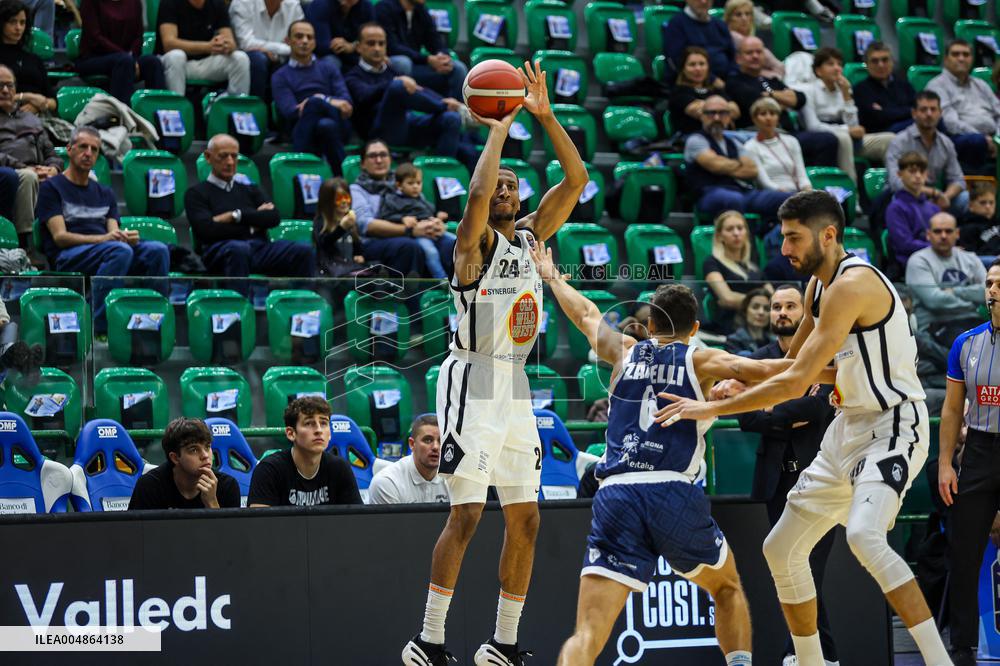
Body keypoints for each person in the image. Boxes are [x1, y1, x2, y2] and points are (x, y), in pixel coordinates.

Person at [655, 190, 951, 666]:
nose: (785, 249)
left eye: (794, 237)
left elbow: (794, 380)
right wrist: (732, 374)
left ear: (828, 235)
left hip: (893, 424)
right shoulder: (816, 288)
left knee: (865, 536)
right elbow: (793, 365)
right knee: (781, 548)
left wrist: (708, 409)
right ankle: (813, 663)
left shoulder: (853, 284)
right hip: (846, 427)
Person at [401, 61, 587, 666]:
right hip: (472, 377)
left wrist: (545, 114)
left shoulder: (532, 237)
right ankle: (429, 640)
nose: (503, 189)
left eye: (512, 184)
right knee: (469, 512)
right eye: (498, 184)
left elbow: (578, 177)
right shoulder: (473, 245)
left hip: (515, 383)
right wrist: (499, 127)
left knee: (527, 518)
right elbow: (477, 195)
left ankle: (502, 643)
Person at [541, 276, 799, 666]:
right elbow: (764, 368)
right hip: (671, 490)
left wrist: (552, 277)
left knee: (588, 632)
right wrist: (838, 369)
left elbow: (585, 313)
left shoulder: (624, 351)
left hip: (616, 492)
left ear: (650, 326)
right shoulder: (699, 357)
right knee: (727, 588)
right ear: (694, 328)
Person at [721, 283, 839, 666]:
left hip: (819, 479)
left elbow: (820, 411)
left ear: (805, 314)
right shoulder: (755, 361)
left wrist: (772, 404)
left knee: (810, 569)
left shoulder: (822, 356)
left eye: (790, 305)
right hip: (776, 482)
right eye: (775, 307)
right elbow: (746, 417)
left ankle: (802, 655)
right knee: (789, 569)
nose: (781, 313)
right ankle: (821, 656)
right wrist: (790, 409)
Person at [35, 126, 170, 336]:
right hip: (68, 255)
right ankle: (98, 326)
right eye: (83, 147)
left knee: (157, 250)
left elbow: (113, 232)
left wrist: (124, 237)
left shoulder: (104, 192)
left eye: (94, 149)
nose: (88, 153)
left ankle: (152, 322)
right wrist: (107, 239)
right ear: (69, 149)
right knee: (119, 251)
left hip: (105, 250)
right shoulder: (52, 188)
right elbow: (60, 237)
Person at [940, 263, 1000, 666]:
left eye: (999, 283)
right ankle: (963, 647)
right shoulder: (966, 342)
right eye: (989, 282)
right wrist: (946, 463)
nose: (992, 288)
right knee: (964, 551)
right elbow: (950, 407)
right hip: (979, 450)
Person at [185, 133, 316, 280]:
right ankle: (237, 302)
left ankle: (302, 301)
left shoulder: (250, 189)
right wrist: (252, 224)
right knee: (239, 249)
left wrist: (236, 216)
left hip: (258, 249)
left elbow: (273, 217)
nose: (229, 162)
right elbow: (206, 229)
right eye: (223, 156)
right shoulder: (196, 193)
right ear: (208, 157)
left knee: (303, 250)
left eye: (234, 156)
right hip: (220, 251)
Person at [343, 23, 472, 171]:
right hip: (380, 135)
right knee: (398, 87)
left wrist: (449, 103)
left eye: (381, 43)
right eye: (371, 43)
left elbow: (416, 89)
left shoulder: (390, 71)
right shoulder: (352, 76)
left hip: (407, 124)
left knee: (451, 119)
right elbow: (364, 96)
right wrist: (394, 83)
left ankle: (442, 177)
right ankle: (450, 108)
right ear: (359, 47)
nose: (377, 48)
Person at [726, 37, 839, 168]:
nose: (755, 56)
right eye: (749, 53)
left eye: (759, 52)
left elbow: (800, 99)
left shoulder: (770, 81)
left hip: (787, 133)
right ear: (738, 58)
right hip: (760, 135)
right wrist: (782, 99)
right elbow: (758, 102)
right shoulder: (734, 82)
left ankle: (821, 184)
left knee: (828, 140)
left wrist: (771, 94)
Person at [684, 95, 791, 231]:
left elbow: (752, 169)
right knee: (733, 199)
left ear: (729, 117)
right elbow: (715, 166)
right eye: (711, 113)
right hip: (709, 193)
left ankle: (774, 238)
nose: (717, 118)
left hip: (742, 191)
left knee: (786, 199)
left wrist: (723, 164)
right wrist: (737, 164)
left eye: (722, 113)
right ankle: (747, 244)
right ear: (702, 116)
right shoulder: (696, 140)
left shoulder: (733, 142)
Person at [800, 47, 894, 183]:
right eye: (830, 64)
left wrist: (846, 96)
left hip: (850, 139)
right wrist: (846, 130)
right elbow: (812, 126)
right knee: (843, 137)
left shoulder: (843, 89)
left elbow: (853, 125)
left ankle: (890, 188)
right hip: (828, 139)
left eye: (839, 64)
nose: (837, 68)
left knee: (889, 139)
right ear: (818, 71)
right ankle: (852, 195)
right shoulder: (808, 91)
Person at [248, 396, 363, 507]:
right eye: (309, 423)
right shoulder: (268, 470)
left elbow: (356, 522)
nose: (318, 430)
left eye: (323, 423)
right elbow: (260, 525)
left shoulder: (340, 468)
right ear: (291, 433)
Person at [271, 20, 352, 174]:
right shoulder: (280, 76)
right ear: (288, 41)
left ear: (315, 42)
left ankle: (301, 165)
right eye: (299, 36)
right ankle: (341, 179)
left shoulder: (329, 68)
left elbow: (347, 104)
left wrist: (319, 100)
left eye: (310, 37)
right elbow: (291, 112)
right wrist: (325, 101)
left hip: (337, 123)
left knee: (316, 105)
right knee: (325, 125)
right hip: (301, 125)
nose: (305, 41)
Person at [0, 65, 60, 258]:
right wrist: (24, 168)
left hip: (37, 171)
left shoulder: (31, 119)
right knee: (27, 178)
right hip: (11, 172)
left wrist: (53, 168)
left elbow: (50, 151)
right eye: (0, 86)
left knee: (83, 177)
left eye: (9, 85)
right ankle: (25, 244)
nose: (5, 91)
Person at [350, 138, 431, 276]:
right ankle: (405, 293)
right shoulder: (357, 189)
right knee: (408, 247)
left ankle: (453, 291)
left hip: (411, 235)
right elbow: (366, 225)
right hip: (373, 242)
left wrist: (434, 224)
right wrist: (409, 230)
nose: (379, 160)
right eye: (373, 156)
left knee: (449, 244)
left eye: (383, 155)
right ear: (363, 163)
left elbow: (422, 208)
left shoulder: (404, 183)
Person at [128, 417, 241, 510]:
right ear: (175, 458)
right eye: (194, 450)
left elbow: (228, 536)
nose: (205, 455)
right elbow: (136, 534)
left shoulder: (227, 486)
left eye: (207, 447)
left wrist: (212, 503)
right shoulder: (150, 486)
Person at [885, 91, 967, 215]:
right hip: (908, 195)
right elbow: (896, 183)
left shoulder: (946, 143)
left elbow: (958, 180)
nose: (929, 114)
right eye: (923, 110)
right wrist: (934, 193)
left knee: (965, 198)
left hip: (936, 199)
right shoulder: (899, 142)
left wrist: (945, 197)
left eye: (933, 109)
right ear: (914, 113)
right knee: (898, 199)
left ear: (940, 113)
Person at [906, 212, 985, 339]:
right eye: (937, 231)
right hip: (936, 325)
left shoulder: (971, 258)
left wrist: (954, 291)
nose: (943, 236)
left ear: (957, 233)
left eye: (948, 231)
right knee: (971, 345)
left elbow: (986, 291)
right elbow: (935, 301)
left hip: (973, 320)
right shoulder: (918, 261)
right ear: (928, 235)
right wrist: (973, 303)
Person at [927, 39, 1000, 173]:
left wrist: (997, 138)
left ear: (972, 58)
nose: (961, 59)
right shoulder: (937, 86)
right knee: (976, 141)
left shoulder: (981, 85)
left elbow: (998, 113)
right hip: (959, 137)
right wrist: (985, 139)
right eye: (955, 54)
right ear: (945, 59)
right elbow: (950, 123)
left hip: (991, 137)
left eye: (966, 55)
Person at [375, 0, 467, 100]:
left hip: (418, 66)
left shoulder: (421, 9)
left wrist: (442, 57)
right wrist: (427, 59)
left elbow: (435, 41)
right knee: (403, 62)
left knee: (458, 68)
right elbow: (392, 47)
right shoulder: (384, 8)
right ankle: (404, 113)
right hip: (391, 67)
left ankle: (456, 111)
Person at [77, 0, 166, 103]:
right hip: (94, 57)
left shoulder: (135, 2)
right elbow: (95, 38)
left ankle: (158, 113)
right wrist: (126, 56)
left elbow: (138, 35)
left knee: (153, 62)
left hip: (127, 57)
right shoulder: (90, 2)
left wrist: (131, 56)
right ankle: (123, 114)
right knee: (124, 61)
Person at [156, 0, 250, 96]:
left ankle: (230, 106)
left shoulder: (217, 3)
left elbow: (231, 42)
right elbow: (169, 44)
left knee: (240, 58)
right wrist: (207, 47)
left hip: (205, 62)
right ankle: (176, 106)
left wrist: (225, 45)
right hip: (177, 64)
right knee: (176, 56)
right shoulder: (169, 3)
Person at [378, 162, 455, 279]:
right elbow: (386, 216)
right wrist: (402, 219)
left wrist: (437, 215)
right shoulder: (392, 198)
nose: (415, 186)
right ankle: (441, 279)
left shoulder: (420, 197)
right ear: (399, 185)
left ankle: (459, 278)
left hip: (433, 229)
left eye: (418, 183)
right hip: (418, 235)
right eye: (410, 183)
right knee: (431, 252)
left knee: (456, 241)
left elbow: (429, 210)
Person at [703, 210, 769, 334]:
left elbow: (773, 297)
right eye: (730, 229)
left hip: (759, 329)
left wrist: (745, 302)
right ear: (719, 236)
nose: (736, 233)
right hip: (731, 328)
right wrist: (761, 304)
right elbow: (727, 298)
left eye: (740, 228)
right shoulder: (712, 263)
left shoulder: (753, 267)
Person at [228, 0, 303, 99]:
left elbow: (300, 41)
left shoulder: (293, 5)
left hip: (282, 57)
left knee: (297, 59)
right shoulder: (242, 2)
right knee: (258, 59)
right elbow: (246, 43)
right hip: (245, 57)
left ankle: (286, 110)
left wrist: (272, 50)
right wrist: (284, 48)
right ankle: (256, 108)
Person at [368, 414, 449, 505]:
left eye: (441, 441)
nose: (435, 447)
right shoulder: (386, 483)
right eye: (428, 440)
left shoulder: (455, 479)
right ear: (412, 444)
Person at [742, 96, 811, 193]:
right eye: (763, 114)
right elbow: (764, 182)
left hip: (797, 193)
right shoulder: (750, 147)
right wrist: (788, 195)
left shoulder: (792, 141)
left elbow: (802, 175)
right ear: (754, 119)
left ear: (778, 118)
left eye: (772, 113)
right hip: (774, 194)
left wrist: (807, 190)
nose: (768, 118)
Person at [885, 151, 941, 267]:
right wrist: (939, 247)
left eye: (922, 172)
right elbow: (904, 245)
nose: (918, 176)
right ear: (899, 174)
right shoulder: (895, 208)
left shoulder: (934, 208)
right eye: (912, 171)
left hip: (938, 260)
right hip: (910, 264)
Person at [668, 46, 736, 137]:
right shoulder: (679, 91)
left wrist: (706, 107)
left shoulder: (715, 89)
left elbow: (735, 110)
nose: (698, 69)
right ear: (683, 69)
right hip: (693, 137)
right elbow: (697, 112)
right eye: (692, 65)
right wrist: (725, 110)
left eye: (702, 64)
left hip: (723, 135)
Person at [0, 0, 54, 115]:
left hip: (39, 116)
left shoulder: (34, 59)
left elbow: (53, 102)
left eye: (22, 22)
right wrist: (27, 97)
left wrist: (38, 105)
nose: (18, 28)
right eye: (12, 22)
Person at [662, 0, 736, 82]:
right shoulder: (676, 25)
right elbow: (677, 63)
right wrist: (712, 80)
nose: (703, 1)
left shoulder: (720, 24)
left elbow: (732, 57)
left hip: (726, 81)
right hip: (692, 85)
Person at [854, 42, 916, 134]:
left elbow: (917, 109)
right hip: (881, 133)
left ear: (892, 62)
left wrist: (885, 110)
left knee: (931, 120)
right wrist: (907, 111)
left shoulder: (904, 84)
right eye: (875, 61)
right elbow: (877, 119)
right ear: (866, 65)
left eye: (885, 60)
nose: (880, 65)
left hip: (907, 127)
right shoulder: (860, 89)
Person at [314, 176, 365, 276]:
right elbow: (324, 244)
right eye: (338, 199)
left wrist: (359, 255)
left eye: (347, 197)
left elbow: (357, 247)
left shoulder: (350, 221)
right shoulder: (321, 221)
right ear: (328, 201)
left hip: (349, 269)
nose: (344, 202)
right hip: (329, 274)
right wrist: (341, 228)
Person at [305, 0, 375, 69]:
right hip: (328, 56)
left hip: (355, 55)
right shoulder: (320, 4)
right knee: (331, 62)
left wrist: (352, 46)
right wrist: (343, 46)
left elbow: (373, 38)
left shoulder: (366, 6)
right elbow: (322, 47)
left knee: (379, 59)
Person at [724, 0, 782, 79]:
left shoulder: (758, 36)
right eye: (738, 15)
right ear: (729, 18)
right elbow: (777, 66)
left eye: (747, 14)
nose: (744, 18)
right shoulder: (730, 37)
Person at [724, 288, 774, 355]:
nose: (761, 312)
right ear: (745, 311)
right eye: (755, 307)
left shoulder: (775, 341)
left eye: (766, 308)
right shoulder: (733, 341)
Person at [957, 182, 1000, 257]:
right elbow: (971, 257)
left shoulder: (997, 222)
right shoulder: (967, 229)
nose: (988, 206)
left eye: (991, 202)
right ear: (971, 206)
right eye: (983, 203)